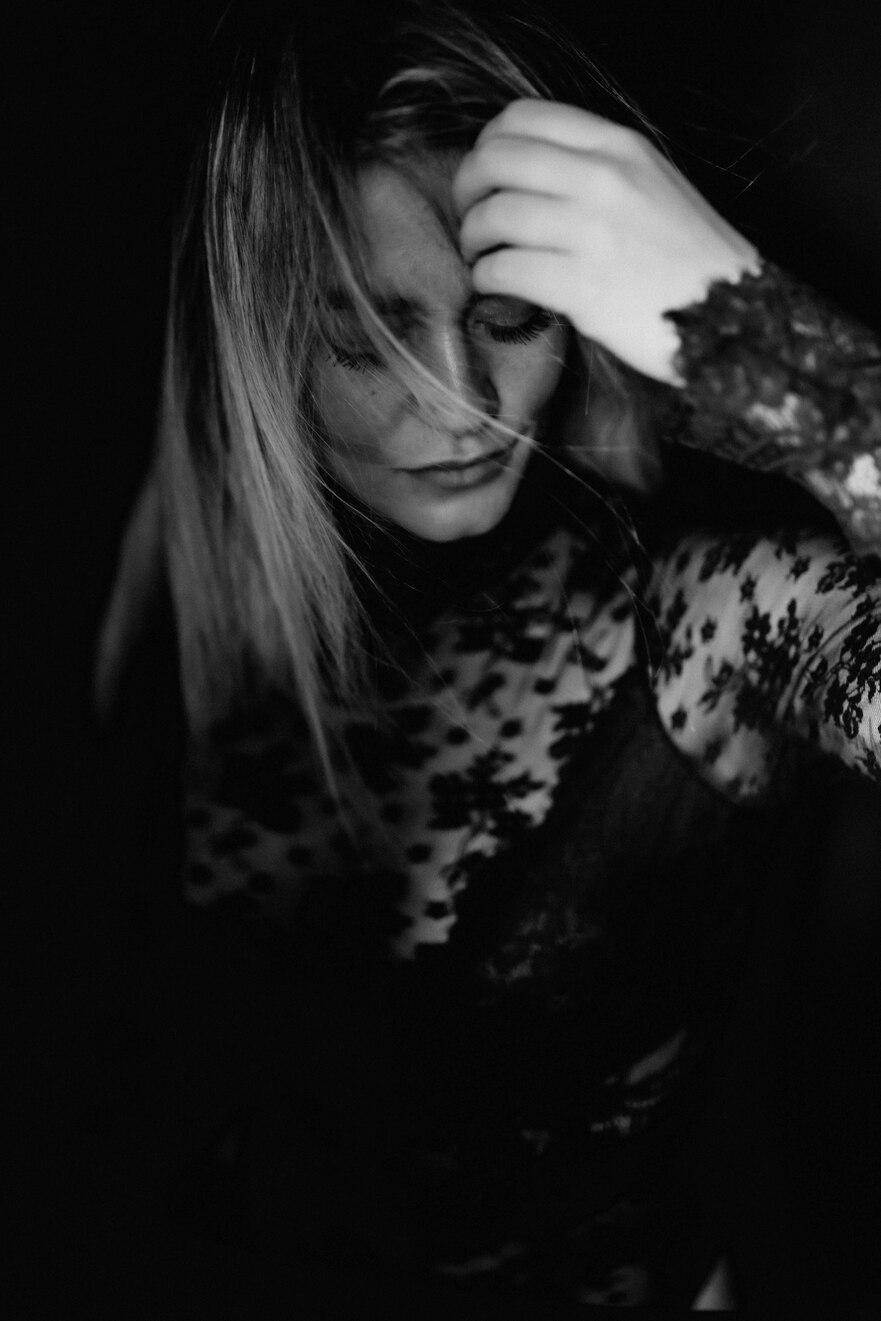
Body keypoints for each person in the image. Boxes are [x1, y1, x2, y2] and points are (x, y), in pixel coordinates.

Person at [92, 0, 880, 1309]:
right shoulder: (145, 566)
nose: (460, 402)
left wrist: (766, 343)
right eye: (367, 335)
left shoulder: (709, 616)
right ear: (258, 345)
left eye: (511, 317)